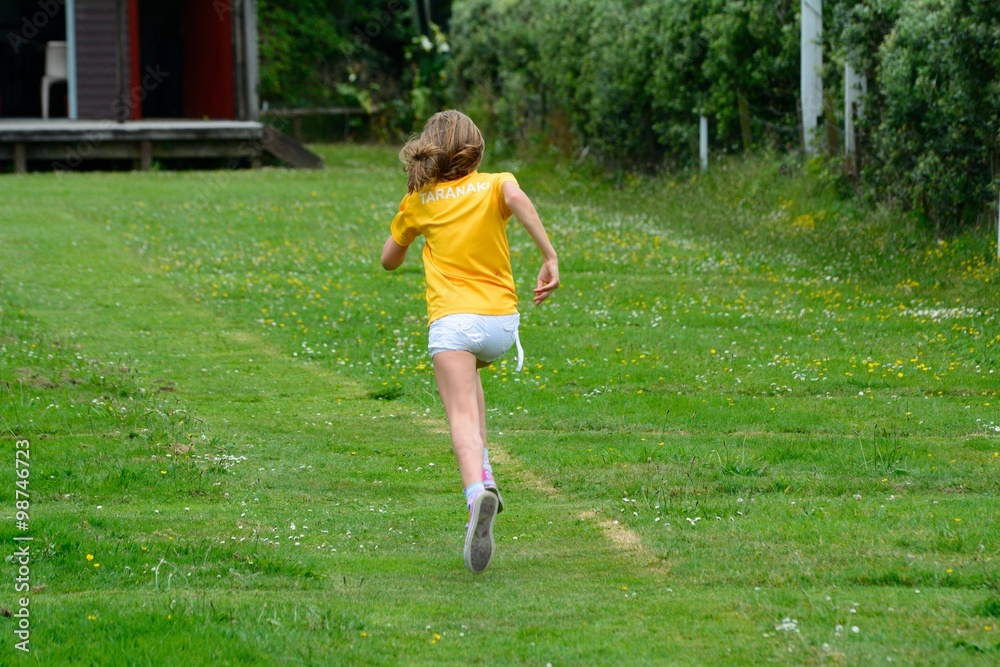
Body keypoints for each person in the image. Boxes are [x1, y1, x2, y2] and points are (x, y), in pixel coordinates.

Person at [380, 109, 559, 573]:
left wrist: (412, 221)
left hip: (453, 324)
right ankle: (488, 477)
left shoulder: (420, 200)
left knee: (459, 416)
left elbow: (388, 261)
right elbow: (518, 200)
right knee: (472, 380)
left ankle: (475, 493)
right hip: (501, 325)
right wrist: (548, 255)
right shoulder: (497, 182)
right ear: (475, 150)